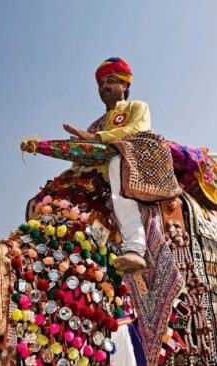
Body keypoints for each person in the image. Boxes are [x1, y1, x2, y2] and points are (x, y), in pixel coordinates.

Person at [63, 57, 151, 273]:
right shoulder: (95, 124)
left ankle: (135, 246)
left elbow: (139, 128)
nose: (104, 87)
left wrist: (97, 138)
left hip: (130, 165)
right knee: (56, 191)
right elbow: (82, 161)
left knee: (116, 160)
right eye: (101, 84)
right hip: (96, 180)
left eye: (110, 80)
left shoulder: (136, 107)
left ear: (125, 85)